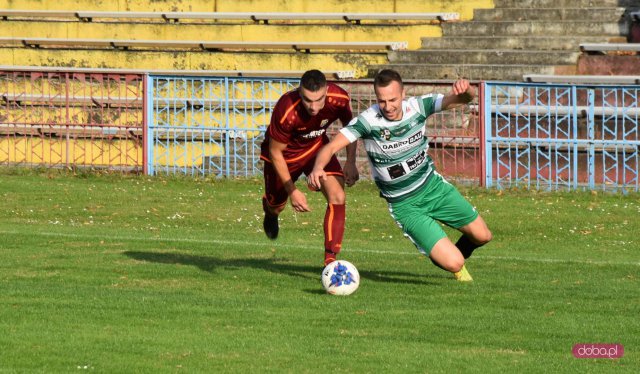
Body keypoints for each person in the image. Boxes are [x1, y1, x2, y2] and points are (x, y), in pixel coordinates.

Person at [308, 69, 492, 281]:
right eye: (382, 101)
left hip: (434, 188)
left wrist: (466, 90)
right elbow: (329, 148)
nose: (388, 106)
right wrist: (318, 168)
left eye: (393, 99)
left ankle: (448, 253)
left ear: (403, 94)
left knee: (483, 235)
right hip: (405, 205)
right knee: (455, 263)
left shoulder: (419, 106)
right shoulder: (368, 121)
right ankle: (449, 259)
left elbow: (461, 99)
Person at [260, 69, 359, 266]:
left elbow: (351, 129)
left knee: (338, 196)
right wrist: (293, 191)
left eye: (319, 100)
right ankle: (271, 212)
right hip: (285, 158)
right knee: (276, 206)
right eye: (307, 100)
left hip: (317, 149)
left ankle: (330, 260)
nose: (314, 107)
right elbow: (275, 152)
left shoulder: (339, 98)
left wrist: (350, 161)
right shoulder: (286, 109)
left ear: (327, 91)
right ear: (299, 92)